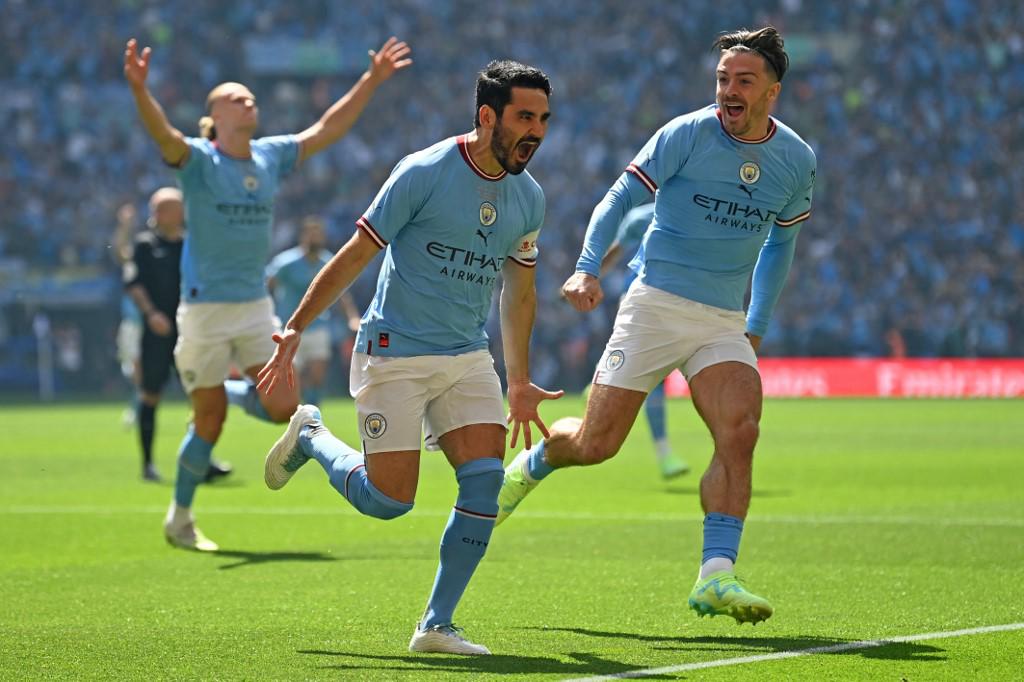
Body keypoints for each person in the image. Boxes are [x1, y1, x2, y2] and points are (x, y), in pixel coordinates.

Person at [495, 27, 816, 625]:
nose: (729, 90)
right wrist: (587, 267)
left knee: (741, 431)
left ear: (772, 91)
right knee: (596, 445)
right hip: (656, 306)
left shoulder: (796, 159)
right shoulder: (686, 134)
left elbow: (781, 245)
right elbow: (618, 198)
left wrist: (756, 323)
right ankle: (533, 465)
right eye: (723, 79)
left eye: (744, 81)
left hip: (722, 319)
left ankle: (716, 575)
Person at [257, 60, 561, 655]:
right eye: (525, 117)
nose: (537, 131)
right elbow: (356, 254)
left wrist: (520, 380)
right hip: (393, 351)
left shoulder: (529, 198)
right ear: (487, 116)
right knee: (389, 501)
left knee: (484, 484)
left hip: (467, 356)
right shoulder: (423, 171)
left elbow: (520, 293)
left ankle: (436, 625)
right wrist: (295, 326)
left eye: (544, 119)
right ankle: (312, 436)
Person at [123, 35, 412, 552]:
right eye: (236, 98)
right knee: (208, 423)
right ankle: (180, 518)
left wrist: (370, 80)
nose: (248, 101)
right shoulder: (199, 160)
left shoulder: (270, 155)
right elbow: (164, 135)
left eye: (250, 97)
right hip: (204, 311)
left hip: (255, 306)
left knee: (285, 406)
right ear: (214, 115)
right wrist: (141, 90)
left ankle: (229, 394)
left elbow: (326, 130)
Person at [121, 188, 233, 483]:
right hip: (157, 333)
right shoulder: (145, 245)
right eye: (157, 209)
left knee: (199, 396)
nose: (157, 214)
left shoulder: (192, 244)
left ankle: (200, 461)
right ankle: (148, 464)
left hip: (191, 330)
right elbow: (134, 284)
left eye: (165, 208)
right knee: (151, 394)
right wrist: (151, 314)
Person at [600, 203, 690, 480]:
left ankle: (599, 386)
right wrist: (587, 277)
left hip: (677, 300)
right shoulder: (641, 217)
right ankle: (665, 454)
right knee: (653, 377)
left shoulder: (694, 209)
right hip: (639, 300)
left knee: (648, 374)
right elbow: (615, 253)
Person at [266, 216, 361, 407]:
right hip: (290, 327)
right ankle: (298, 411)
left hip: (318, 326)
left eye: (317, 234)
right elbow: (269, 285)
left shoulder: (329, 262)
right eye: (311, 234)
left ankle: (310, 414)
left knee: (317, 375)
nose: (314, 238)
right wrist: (267, 313)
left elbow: (341, 293)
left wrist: (352, 317)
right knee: (294, 379)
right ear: (303, 237)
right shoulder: (286, 262)